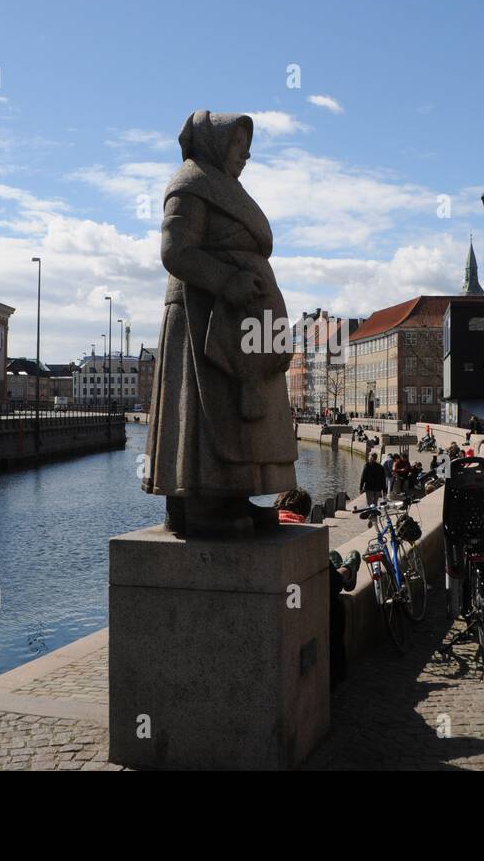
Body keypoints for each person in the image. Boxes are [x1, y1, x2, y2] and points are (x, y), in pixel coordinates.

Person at [141, 111, 298, 536]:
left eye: (247, 146)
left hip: (243, 315)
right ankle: (198, 503)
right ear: (214, 142)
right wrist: (226, 280)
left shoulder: (228, 187)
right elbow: (175, 251)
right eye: (237, 144)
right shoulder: (189, 184)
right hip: (204, 315)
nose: (246, 154)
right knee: (208, 410)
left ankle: (233, 494)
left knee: (237, 413)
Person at [276, 487, 359, 690]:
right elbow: (330, 585)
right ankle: (334, 680)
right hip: (297, 609)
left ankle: (340, 566)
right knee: (336, 606)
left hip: (276, 605)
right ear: (305, 512)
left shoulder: (265, 529)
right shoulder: (305, 537)